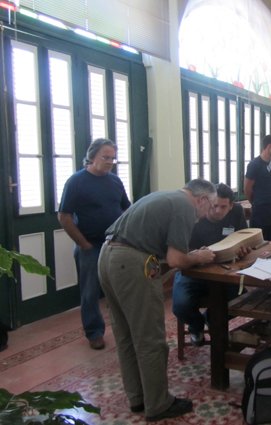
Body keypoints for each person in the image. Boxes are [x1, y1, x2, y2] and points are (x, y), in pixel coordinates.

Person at [98, 179, 216, 422]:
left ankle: (138, 398)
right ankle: (159, 404)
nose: (207, 214)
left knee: (126, 335)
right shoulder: (185, 206)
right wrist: (199, 257)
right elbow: (176, 260)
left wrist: (188, 255)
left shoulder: (166, 196)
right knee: (150, 338)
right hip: (131, 263)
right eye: (210, 206)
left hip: (107, 256)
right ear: (202, 199)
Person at [58, 138, 131, 350]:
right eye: (105, 157)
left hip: (115, 243)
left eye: (112, 158)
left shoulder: (115, 181)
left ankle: (124, 326)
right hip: (90, 245)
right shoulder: (76, 182)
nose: (109, 162)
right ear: (92, 157)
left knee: (121, 288)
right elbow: (64, 216)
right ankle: (94, 332)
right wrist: (83, 243)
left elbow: (127, 208)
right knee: (90, 291)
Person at [172, 183, 249, 346]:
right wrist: (196, 255)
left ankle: (211, 318)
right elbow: (179, 252)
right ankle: (196, 326)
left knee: (245, 299)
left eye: (223, 207)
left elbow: (243, 238)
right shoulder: (192, 216)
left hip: (225, 272)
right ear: (207, 202)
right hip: (194, 272)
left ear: (231, 206)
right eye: (214, 206)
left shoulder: (237, 212)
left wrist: (243, 249)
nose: (217, 211)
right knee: (180, 305)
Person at [244, 135, 271, 241]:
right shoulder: (254, 164)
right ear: (269, 146)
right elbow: (247, 188)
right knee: (259, 242)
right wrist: (255, 202)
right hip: (260, 211)